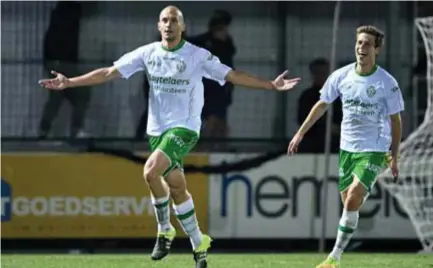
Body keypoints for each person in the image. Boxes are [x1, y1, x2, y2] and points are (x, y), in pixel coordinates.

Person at [38, 6, 301, 268]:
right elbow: (108, 72)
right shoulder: (147, 53)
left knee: (150, 172)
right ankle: (199, 241)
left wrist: (270, 85)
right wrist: (69, 82)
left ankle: (164, 230)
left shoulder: (197, 56)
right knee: (177, 188)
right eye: (165, 20)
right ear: (158, 25)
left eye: (174, 21)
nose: (169, 25)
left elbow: (232, 75)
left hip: (184, 129)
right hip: (157, 131)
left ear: (182, 27)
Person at [288, 25, 404, 268]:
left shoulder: (387, 83)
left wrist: (394, 155)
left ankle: (334, 258)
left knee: (352, 199)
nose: (362, 48)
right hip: (347, 149)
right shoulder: (341, 76)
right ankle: (341, 248)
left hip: (375, 149)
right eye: (359, 43)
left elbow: (395, 120)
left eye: (368, 44)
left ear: (377, 50)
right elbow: (322, 105)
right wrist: (299, 134)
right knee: (350, 204)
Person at [38, 1, 91, 139]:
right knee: (81, 93)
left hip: (58, 61)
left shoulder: (63, 12)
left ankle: (44, 131)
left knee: (57, 97)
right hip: (62, 61)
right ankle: (75, 130)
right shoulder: (69, 12)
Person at [188, 10, 236, 138]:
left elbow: (229, 65)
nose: (223, 31)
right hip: (208, 88)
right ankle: (204, 145)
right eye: (221, 28)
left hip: (221, 88)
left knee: (220, 122)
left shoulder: (227, 44)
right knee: (211, 120)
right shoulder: (205, 42)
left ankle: (219, 146)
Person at [297, 58, 341, 153]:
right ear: (312, 74)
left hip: (336, 141)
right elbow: (302, 119)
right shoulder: (307, 96)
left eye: (324, 73)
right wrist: (324, 127)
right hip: (313, 140)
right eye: (318, 73)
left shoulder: (338, 97)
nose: (321, 76)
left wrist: (337, 128)